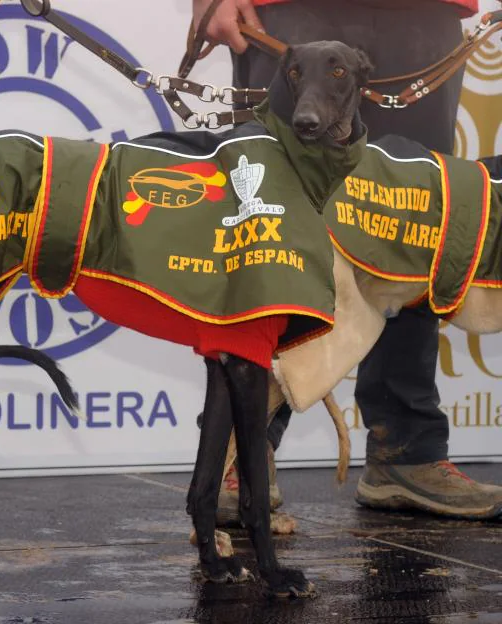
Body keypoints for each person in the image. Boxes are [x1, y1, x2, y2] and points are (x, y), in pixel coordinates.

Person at [191, 0, 502, 525]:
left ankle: (407, 453)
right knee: (274, 228)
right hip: (289, 11)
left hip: (423, 15)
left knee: (416, 221)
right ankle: (239, 454)